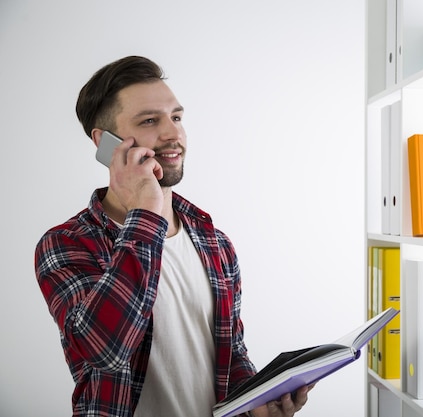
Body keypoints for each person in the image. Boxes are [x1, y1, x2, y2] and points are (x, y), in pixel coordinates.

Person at [34, 55, 311, 417]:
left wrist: (256, 405)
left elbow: (231, 352)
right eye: (150, 120)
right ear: (105, 143)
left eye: (176, 117)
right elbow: (103, 352)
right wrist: (146, 212)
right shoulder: (65, 244)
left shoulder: (215, 242)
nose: (173, 133)